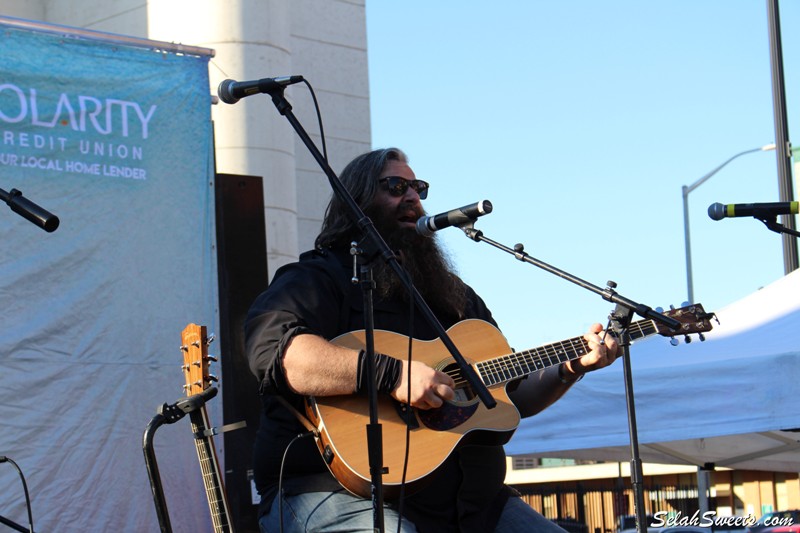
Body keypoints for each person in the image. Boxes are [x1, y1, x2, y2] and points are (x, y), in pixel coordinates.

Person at [245, 147, 619, 533]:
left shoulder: (454, 296)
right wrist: (392, 375)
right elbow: (280, 353)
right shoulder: (317, 279)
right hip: (334, 491)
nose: (413, 198)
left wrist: (573, 367)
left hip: (474, 504)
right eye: (395, 186)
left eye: (418, 188)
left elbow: (511, 397)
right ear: (356, 202)